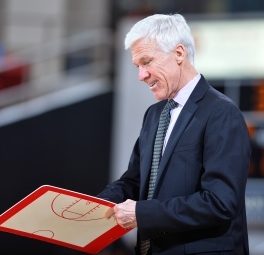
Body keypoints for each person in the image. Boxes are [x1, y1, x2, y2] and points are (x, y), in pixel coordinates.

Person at [98, 13, 251, 255]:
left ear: (179, 54)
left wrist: (141, 214)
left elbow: (220, 202)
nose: (141, 75)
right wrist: (93, 206)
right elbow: (134, 182)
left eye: (147, 62)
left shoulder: (222, 113)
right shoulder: (155, 114)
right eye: (138, 66)